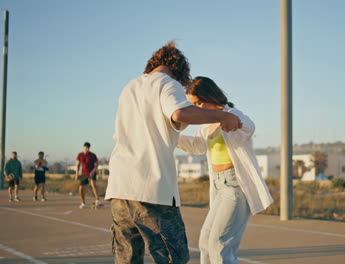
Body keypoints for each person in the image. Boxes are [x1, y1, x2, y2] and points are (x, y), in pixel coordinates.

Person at [105, 41, 242, 264]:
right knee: (172, 255)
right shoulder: (167, 83)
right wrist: (221, 116)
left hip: (120, 187)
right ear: (180, 72)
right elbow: (179, 114)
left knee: (127, 258)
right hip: (151, 188)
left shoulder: (129, 87)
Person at [177, 76, 273, 264]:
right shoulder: (207, 125)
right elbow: (197, 145)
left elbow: (249, 127)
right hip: (219, 186)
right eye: (193, 105)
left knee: (219, 244)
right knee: (205, 242)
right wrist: (173, 136)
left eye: (198, 103)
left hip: (235, 186)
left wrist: (231, 120)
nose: (196, 108)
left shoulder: (231, 113)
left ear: (209, 96)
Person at [75, 142, 100, 208]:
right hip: (83, 174)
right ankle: (83, 202)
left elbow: (97, 164)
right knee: (81, 189)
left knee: (93, 184)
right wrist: (77, 174)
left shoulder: (93, 155)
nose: (87, 149)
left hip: (91, 173)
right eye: (85, 148)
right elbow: (78, 165)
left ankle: (97, 200)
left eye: (88, 148)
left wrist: (93, 171)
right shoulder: (80, 155)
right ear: (83, 147)